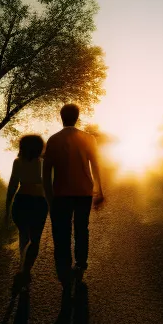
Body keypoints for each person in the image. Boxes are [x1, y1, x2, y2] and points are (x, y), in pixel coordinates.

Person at [43, 104, 105, 288]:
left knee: (61, 233)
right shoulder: (88, 138)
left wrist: (49, 199)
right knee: (81, 229)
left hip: (60, 194)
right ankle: (80, 266)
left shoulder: (53, 140)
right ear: (77, 117)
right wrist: (100, 190)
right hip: (83, 192)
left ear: (61, 117)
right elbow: (95, 165)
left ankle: (64, 269)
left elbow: (46, 173)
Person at [5, 134, 49, 290]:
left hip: (21, 202)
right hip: (38, 203)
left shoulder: (17, 162)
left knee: (24, 237)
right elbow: (48, 187)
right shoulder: (43, 164)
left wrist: (7, 207)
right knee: (35, 241)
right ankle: (25, 270)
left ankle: (23, 269)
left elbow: (12, 186)